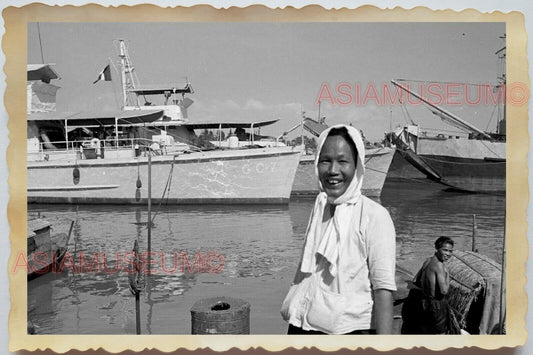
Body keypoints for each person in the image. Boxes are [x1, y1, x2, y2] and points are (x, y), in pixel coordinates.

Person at [280, 124, 397, 334]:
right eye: (325, 161)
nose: (333, 170)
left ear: (357, 165)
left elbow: (383, 289)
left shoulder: (375, 216)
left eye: (343, 161)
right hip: (302, 325)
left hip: (347, 332)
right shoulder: (321, 206)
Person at [401, 236, 460, 334]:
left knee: (425, 330)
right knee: (439, 333)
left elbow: (415, 279)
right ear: (437, 249)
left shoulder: (427, 261)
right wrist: (447, 274)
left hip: (424, 302)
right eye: (445, 250)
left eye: (450, 251)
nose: (448, 254)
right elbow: (444, 290)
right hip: (436, 304)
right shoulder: (439, 266)